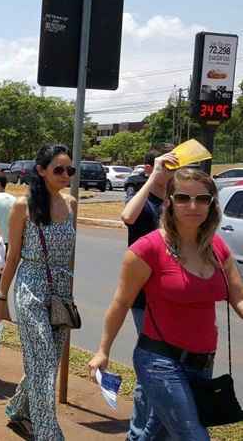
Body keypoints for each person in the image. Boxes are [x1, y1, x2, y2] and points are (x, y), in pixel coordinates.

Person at [89, 168, 243, 440]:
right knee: (192, 435)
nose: (193, 206)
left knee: (154, 434)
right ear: (169, 201)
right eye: (183, 198)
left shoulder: (217, 247)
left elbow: (238, 297)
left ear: (211, 204)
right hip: (160, 360)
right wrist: (103, 350)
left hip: (202, 361)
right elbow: (122, 302)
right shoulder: (147, 249)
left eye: (202, 199)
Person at [0, 144, 78, 440]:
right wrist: (1, 298)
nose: (66, 175)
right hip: (30, 288)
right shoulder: (22, 206)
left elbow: (69, 255)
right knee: (42, 363)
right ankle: (48, 433)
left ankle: (18, 408)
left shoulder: (71, 203)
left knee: (47, 363)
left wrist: (68, 292)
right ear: (41, 171)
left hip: (61, 292)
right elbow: (13, 255)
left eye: (70, 170)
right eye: (59, 169)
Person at [119, 149, 178, 439]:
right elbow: (128, 217)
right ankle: (139, 433)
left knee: (170, 366)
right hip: (145, 295)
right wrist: (153, 176)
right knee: (153, 365)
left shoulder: (179, 200)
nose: (171, 173)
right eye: (167, 167)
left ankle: (155, 431)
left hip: (175, 295)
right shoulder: (140, 193)